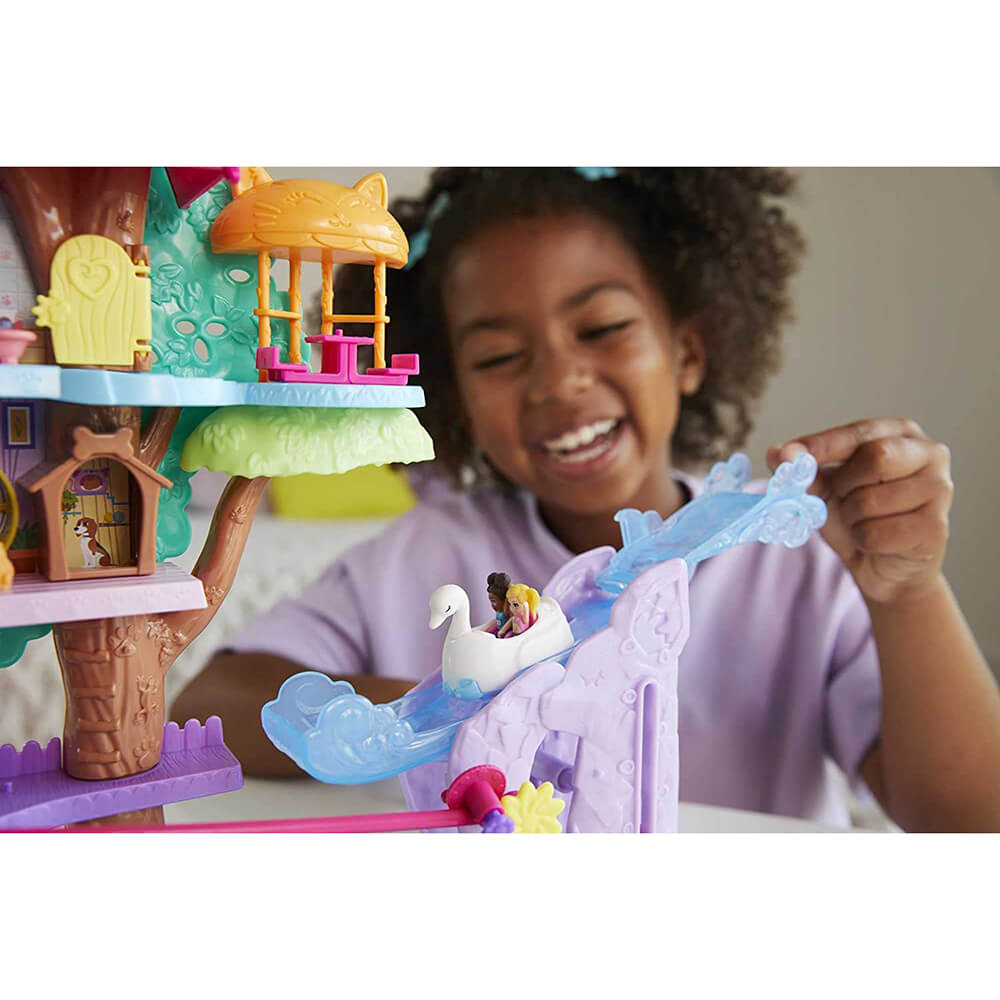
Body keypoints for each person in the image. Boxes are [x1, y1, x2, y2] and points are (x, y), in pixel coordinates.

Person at [172, 168, 1000, 830]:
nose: (559, 382)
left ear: (688, 350)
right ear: (456, 399)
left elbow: (970, 820)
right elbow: (212, 706)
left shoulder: (803, 562)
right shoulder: (417, 557)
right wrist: (459, 700)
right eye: (498, 358)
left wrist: (907, 592)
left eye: (603, 329)